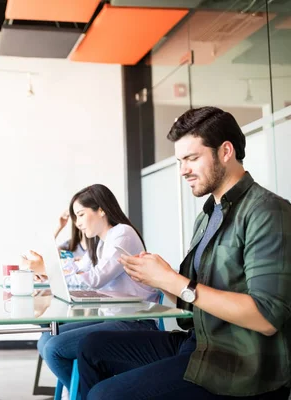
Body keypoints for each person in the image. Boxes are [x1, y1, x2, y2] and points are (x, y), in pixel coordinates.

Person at [77, 107, 291, 399]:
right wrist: (159, 278)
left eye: (192, 158)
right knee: (90, 347)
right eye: (180, 161)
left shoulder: (267, 211)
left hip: (239, 364)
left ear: (226, 151)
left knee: (105, 394)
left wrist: (175, 282)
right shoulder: (207, 215)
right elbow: (191, 304)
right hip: (199, 342)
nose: (183, 170)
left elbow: (266, 318)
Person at [22, 184, 159, 392]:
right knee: (46, 340)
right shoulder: (101, 242)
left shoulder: (122, 234)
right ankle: (88, 392)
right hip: (113, 315)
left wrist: (49, 271)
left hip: (135, 320)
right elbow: (77, 270)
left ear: (101, 209)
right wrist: (49, 269)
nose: (77, 224)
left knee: (54, 348)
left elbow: (95, 279)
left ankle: (89, 393)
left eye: (81, 215)